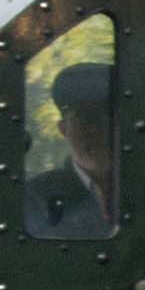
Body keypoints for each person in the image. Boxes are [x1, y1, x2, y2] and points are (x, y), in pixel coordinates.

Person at [29, 62, 119, 238]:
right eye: (84, 120)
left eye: (107, 118)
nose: (98, 130)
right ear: (63, 129)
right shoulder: (35, 197)